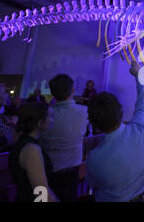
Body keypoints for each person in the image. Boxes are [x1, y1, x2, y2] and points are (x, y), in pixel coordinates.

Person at [86, 61, 144, 202]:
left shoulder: (94, 158)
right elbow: (143, 102)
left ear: (94, 123)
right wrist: (138, 75)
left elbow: (94, 184)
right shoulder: (140, 130)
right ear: (120, 111)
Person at [39, 74, 88, 202]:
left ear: (52, 92)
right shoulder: (84, 111)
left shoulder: (44, 114)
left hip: (46, 171)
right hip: (72, 171)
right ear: (73, 90)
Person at [9, 102, 59, 202]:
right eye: (51, 116)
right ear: (40, 123)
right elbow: (41, 193)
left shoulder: (23, 141)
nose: (54, 119)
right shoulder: (32, 149)